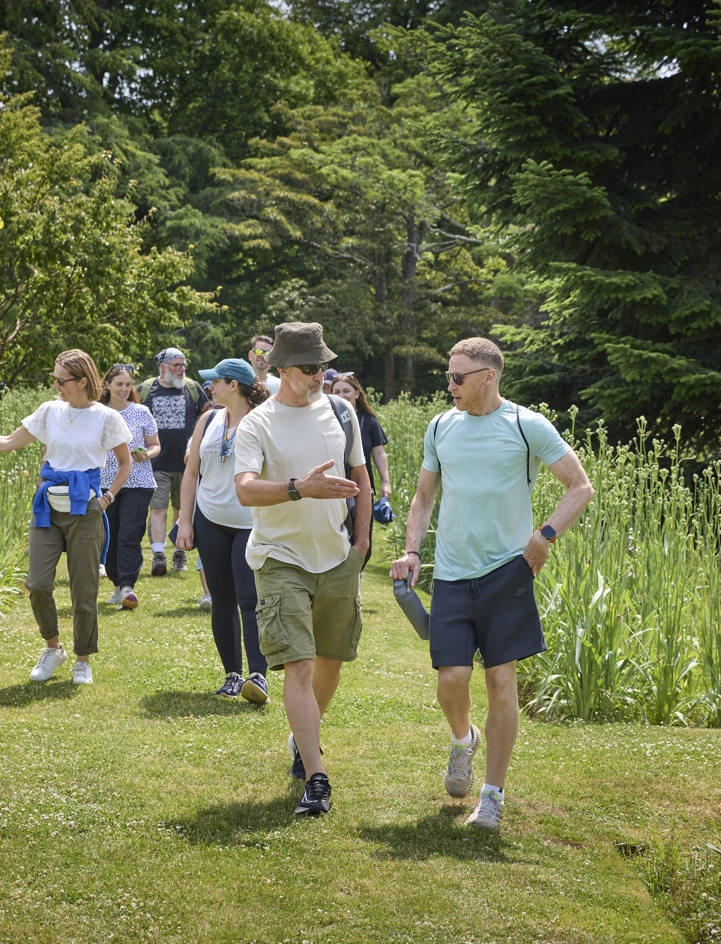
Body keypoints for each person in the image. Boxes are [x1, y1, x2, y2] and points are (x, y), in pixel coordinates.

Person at [390, 338, 594, 830]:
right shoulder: (440, 426)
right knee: (450, 681)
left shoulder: (526, 425)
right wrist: (413, 550)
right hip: (453, 575)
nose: (450, 385)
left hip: (508, 574)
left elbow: (580, 486)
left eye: (458, 377)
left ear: (488, 377)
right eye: (447, 376)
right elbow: (422, 498)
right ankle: (464, 740)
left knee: (502, 680)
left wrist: (544, 536)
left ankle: (492, 796)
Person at [234, 322, 370, 817]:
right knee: (300, 662)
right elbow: (245, 489)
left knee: (331, 660)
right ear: (281, 369)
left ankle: (301, 736)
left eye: (323, 367)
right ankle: (316, 777)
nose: (320, 376)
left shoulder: (342, 411)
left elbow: (360, 475)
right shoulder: (257, 424)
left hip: (336, 556)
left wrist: (361, 542)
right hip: (278, 556)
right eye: (311, 369)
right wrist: (298, 488)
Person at [0, 349, 132, 685]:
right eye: (54, 377)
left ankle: (83, 660)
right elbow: (9, 442)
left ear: (82, 381)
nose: (55, 385)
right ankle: (53, 648)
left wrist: (107, 498)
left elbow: (125, 463)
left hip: (85, 509)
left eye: (61, 379)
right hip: (48, 507)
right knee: (37, 584)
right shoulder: (50, 411)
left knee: (83, 590)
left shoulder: (106, 417)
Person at [176, 358, 272, 702]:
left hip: (250, 522)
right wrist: (185, 521)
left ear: (234, 385)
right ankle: (232, 675)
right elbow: (191, 474)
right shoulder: (209, 418)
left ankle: (258, 676)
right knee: (222, 600)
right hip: (210, 519)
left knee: (250, 598)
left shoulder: (263, 420)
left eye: (215, 381)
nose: (210, 386)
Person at [138, 348, 209, 575]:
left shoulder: (192, 388)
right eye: (176, 365)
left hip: (187, 463)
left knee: (181, 508)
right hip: (155, 462)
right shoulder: (146, 389)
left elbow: (206, 416)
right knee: (158, 508)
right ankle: (158, 555)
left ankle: (179, 553)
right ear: (163, 366)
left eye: (183, 365)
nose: (181, 370)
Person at [99, 364, 161, 610]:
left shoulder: (142, 412)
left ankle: (127, 586)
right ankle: (116, 583)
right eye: (119, 384)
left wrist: (147, 454)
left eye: (128, 385)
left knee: (129, 534)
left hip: (138, 482)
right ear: (107, 386)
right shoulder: (98, 413)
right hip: (106, 483)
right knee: (110, 536)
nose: (124, 389)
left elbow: (155, 445)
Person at [331, 373, 391, 567]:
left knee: (363, 541)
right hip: (333, 489)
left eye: (346, 391)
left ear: (357, 393)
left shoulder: (370, 422)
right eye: (336, 391)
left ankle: (356, 575)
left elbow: (379, 453)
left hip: (361, 489)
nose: (342, 395)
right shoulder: (325, 421)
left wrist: (386, 481)